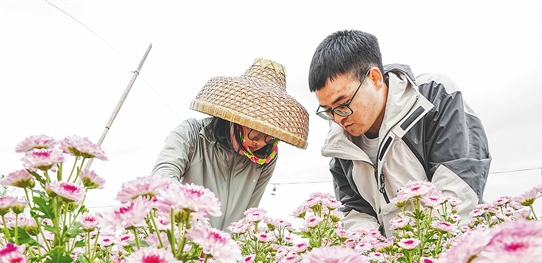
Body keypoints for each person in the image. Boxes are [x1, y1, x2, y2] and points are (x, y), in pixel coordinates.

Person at [308, 30, 491, 233]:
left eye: (343, 104)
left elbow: (458, 192)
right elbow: (355, 210)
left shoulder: (433, 97)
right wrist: (371, 253)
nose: (338, 118)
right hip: (393, 260)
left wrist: (419, 254)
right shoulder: (340, 143)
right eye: (328, 111)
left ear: (375, 78)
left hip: (449, 245)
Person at [152, 58, 309, 230]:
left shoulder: (266, 157)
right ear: (235, 118)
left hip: (224, 249)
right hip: (183, 238)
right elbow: (162, 178)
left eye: (270, 137)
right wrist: (193, 224)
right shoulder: (191, 133)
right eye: (256, 133)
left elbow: (249, 215)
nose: (261, 143)